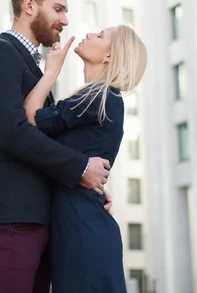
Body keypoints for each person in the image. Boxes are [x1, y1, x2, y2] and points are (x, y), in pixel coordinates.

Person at [0, 0, 113, 293]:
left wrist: (88, 188)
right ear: (30, 6)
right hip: (8, 219)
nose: (65, 21)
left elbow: (44, 142)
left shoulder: (37, 69)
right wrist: (79, 168)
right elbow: (12, 132)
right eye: (58, 9)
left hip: (35, 221)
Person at [24, 25, 148, 292]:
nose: (90, 34)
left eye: (100, 36)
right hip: (79, 222)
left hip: (81, 228)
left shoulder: (99, 98)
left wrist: (51, 73)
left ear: (108, 57)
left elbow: (31, 119)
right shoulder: (97, 98)